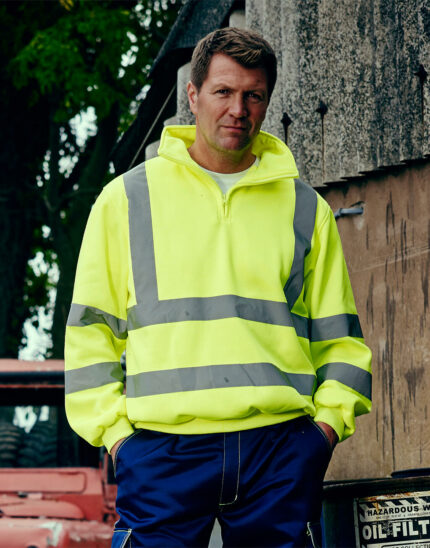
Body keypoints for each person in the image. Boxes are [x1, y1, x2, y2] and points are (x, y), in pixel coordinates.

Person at [65, 27, 372, 547]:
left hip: (279, 452)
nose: (238, 109)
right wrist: (118, 440)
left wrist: (322, 432)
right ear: (193, 95)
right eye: (223, 92)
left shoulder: (305, 208)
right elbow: (90, 333)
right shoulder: (126, 200)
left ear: (267, 102)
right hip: (162, 452)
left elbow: (341, 341)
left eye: (254, 96)